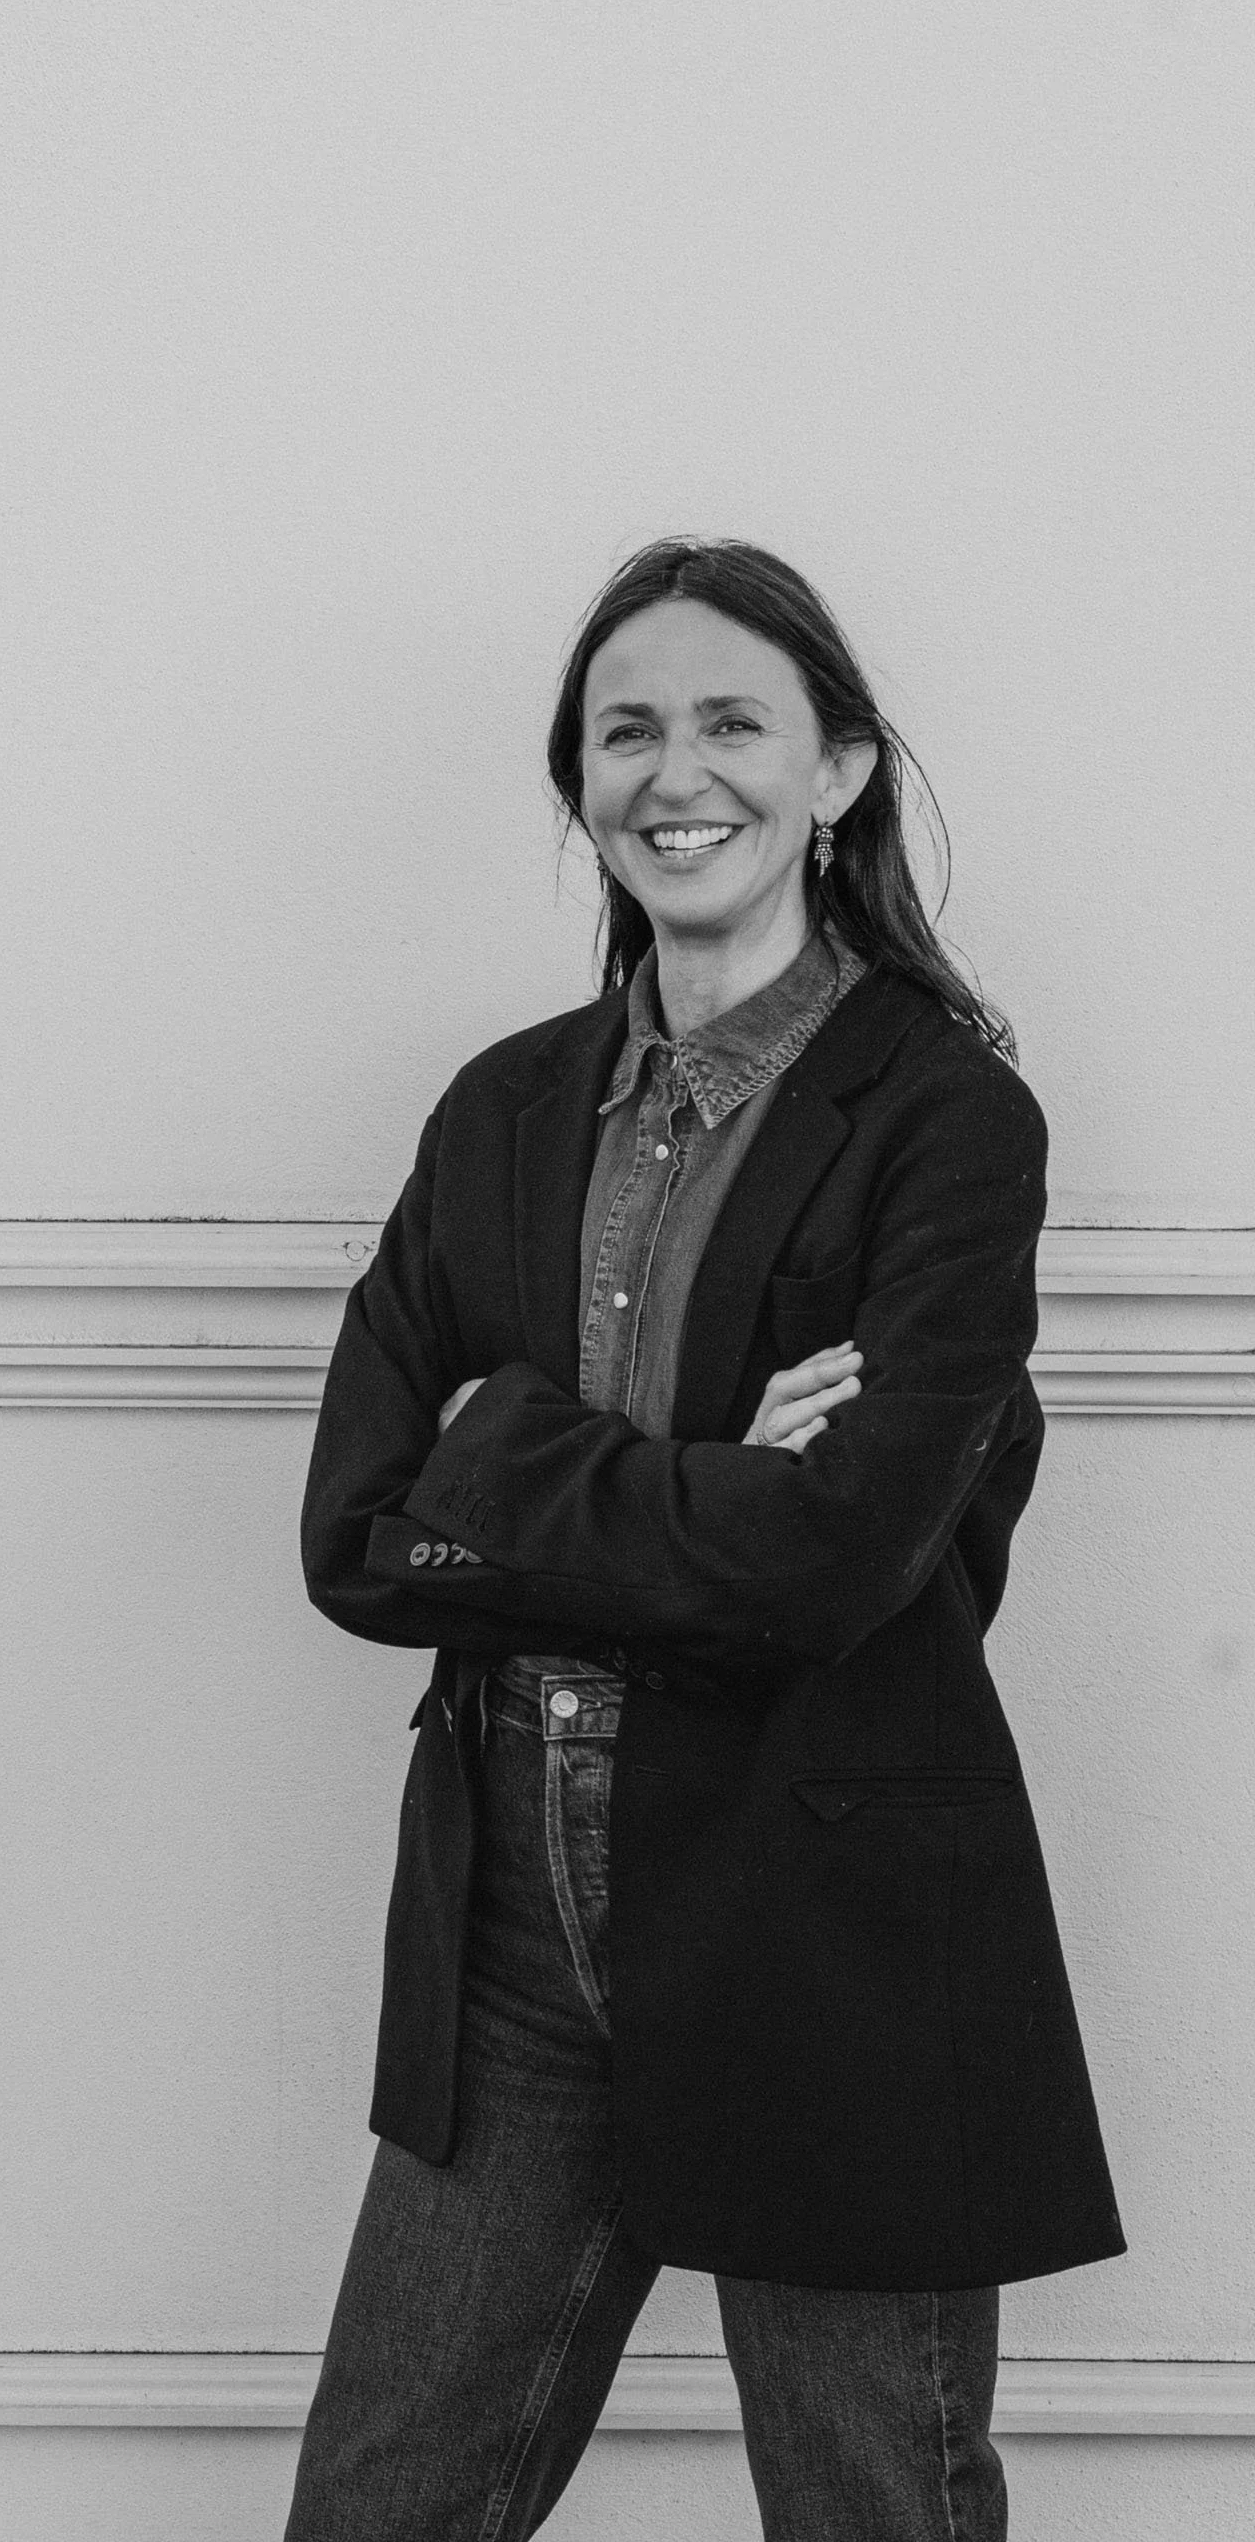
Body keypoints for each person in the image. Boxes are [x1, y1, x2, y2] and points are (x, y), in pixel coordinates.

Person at [282, 538, 1122, 2542]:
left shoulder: (945, 1121)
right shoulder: (499, 1110)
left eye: (733, 721)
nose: (676, 773)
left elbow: (837, 1561)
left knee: (873, 2507)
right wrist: (709, 1478)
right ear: (579, 781)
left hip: (820, 1896)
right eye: (626, 730)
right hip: (511, 1905)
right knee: (381, 2510)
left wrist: (510, 1462)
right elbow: (360, 1536)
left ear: (839, 769)